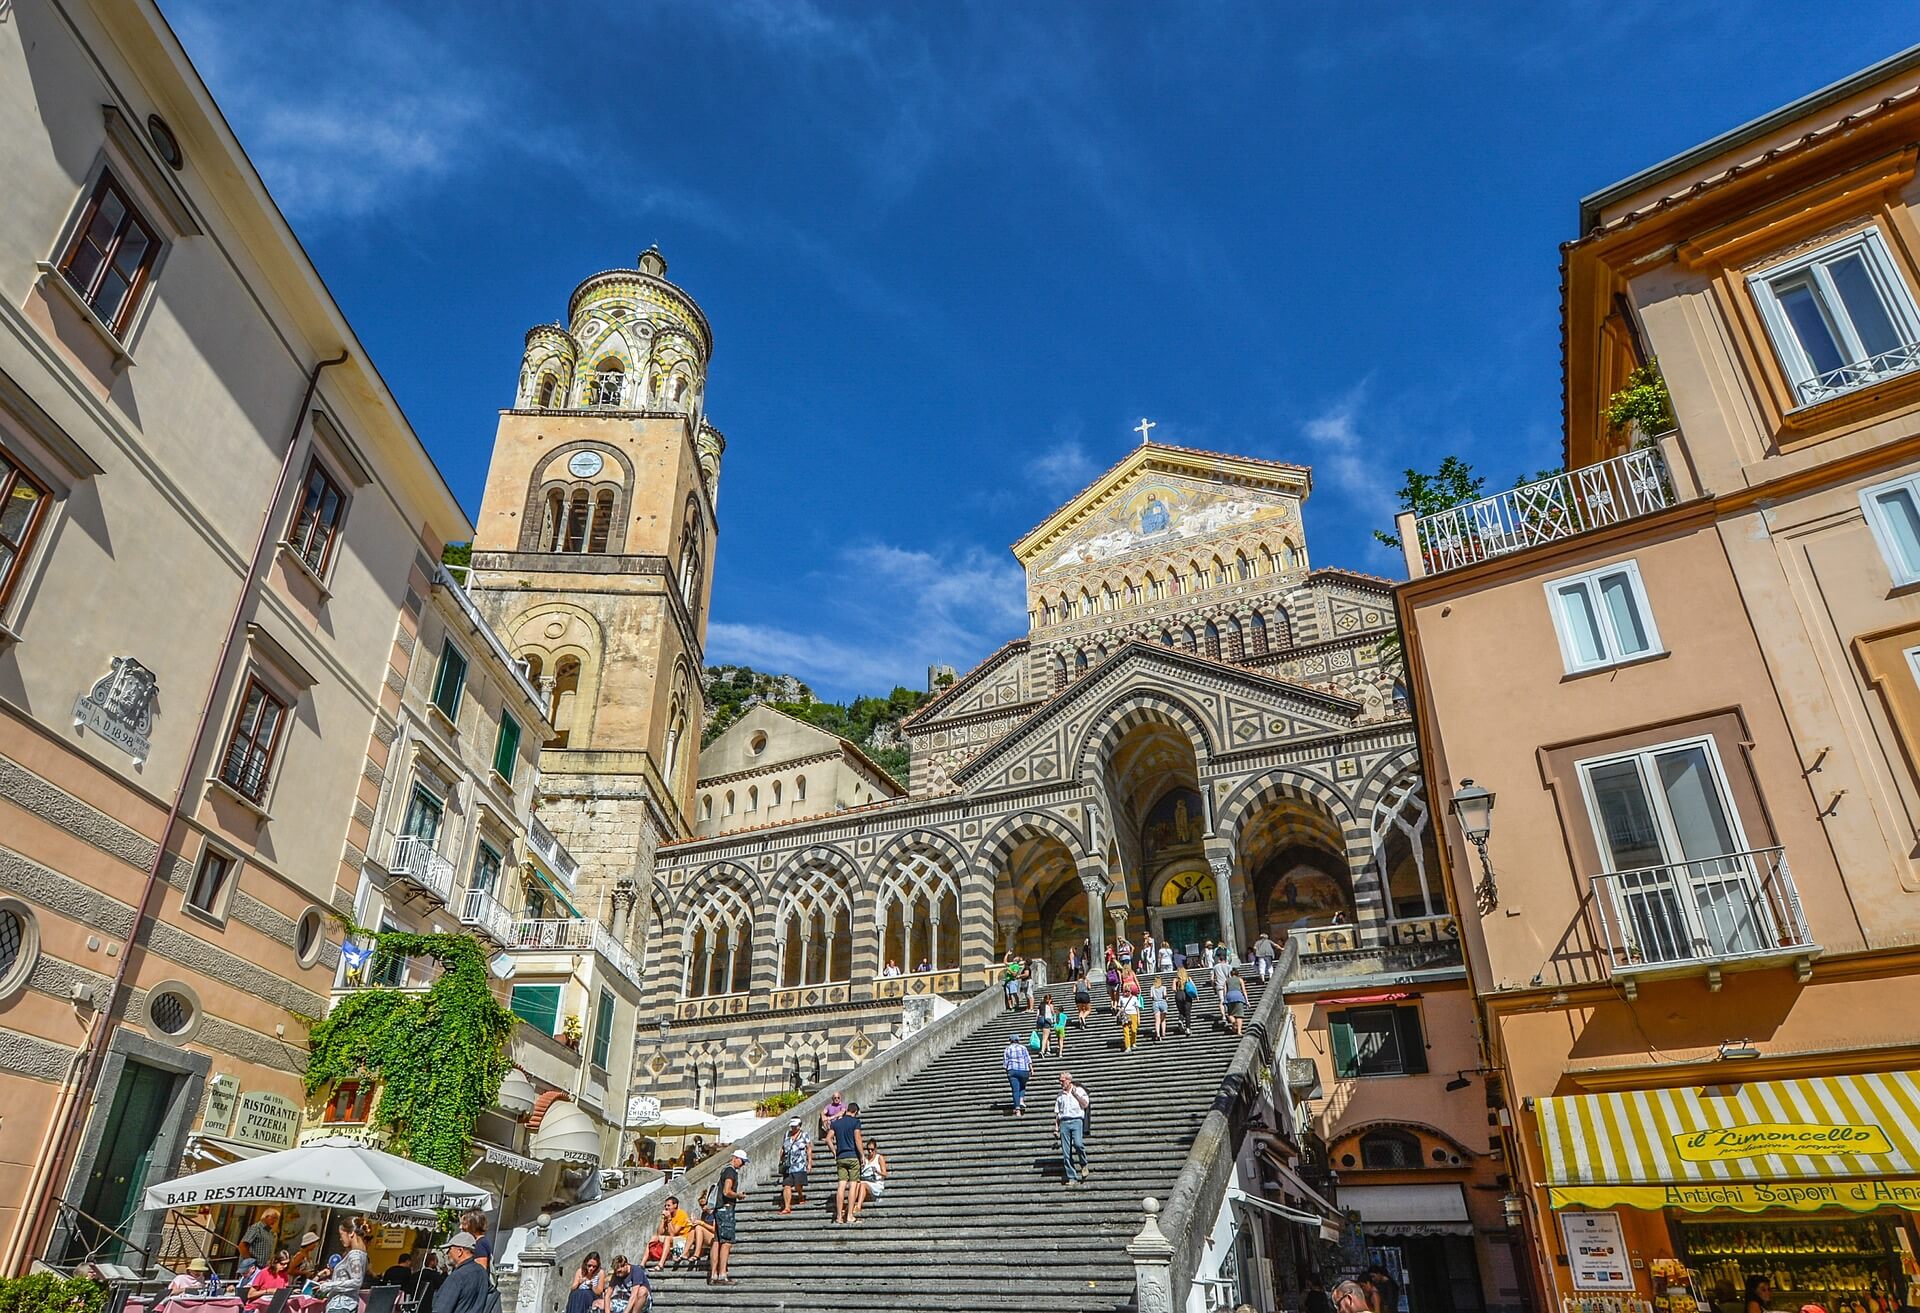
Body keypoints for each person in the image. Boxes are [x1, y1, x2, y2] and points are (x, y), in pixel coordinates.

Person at [708, 1147, 746, 1286]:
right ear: (735, 1158)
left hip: (719, 1209)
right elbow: (727, 1191)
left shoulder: (724, 1170)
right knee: (726, 1242)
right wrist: (738, 1195)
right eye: (742, 1162)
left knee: (717, 1241)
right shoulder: (731, 1171)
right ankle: (722, 1274)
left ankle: (713, 1274)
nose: (742, 1165)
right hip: (726, 1209)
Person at [315, 1219, 369, 1313]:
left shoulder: (354, 1255)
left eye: (341, 1235)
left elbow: (356, 1281)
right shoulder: (362, 1254)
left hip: (340, 1305)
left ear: (351, 1233)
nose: (340, 1239)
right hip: (348, 1304)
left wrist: (328, 1285)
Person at [435, 1233, 491, 1313]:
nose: (447, 1254)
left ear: (460, 1251)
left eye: (449, 1249)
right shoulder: (482, 1272)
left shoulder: (458, 1276)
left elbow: (442, 1309)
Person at [831, 1100, 866, 1223]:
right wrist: (862, 1155)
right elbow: (857, 1139)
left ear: (846, 1110)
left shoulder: (836, 1123)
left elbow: (828, 1139)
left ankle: (839, 1217)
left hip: (841, 1157)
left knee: (841, 1185)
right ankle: (850, 1215)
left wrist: (834, 1151)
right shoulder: (855, 1122)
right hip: (852, 1156)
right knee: (853, 1185)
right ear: (855, 1111)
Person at [1054, 1070, 1091, 1185]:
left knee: (1078, 1144)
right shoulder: (1060, 1095)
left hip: (1076, 1121)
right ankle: (1072, 1177)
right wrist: (1056, 1128)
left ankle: (1083, 1164)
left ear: (1069, 1081)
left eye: (1062, 1081)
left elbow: (1085, 1105)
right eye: (1060, 1081)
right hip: (1064, 1122)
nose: (1061, 1083)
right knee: (1066, 1152)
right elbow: (1057, 1113)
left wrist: (1076, 1094)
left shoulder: (1079, 1090)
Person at [779, 1116, 813, 1213]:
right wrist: (781, 1160)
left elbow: (809, 1149)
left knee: (798, 1185)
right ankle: (787, 1207)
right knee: (787, 1185)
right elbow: (783, 1148)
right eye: (792, 1126)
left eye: (795, 1126)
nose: (793, 1128)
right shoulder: (786, 1135)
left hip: (799, 1164)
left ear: (799, 1126)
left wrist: (809, 1163)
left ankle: (800, 1194)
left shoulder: (804, 1135)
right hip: (788, 1165)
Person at [851, 1138, 889, 1221]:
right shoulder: (865, 1159)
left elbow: (885, 1174)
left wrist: (877, 1172)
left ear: (875, 1149)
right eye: (868, 1149)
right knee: (858, 1184)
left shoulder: (879, 1158)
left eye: (872, 1149)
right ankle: (851, 1205)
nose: (870, 1152)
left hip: (876, 1183)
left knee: (863, 1184)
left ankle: (858, 1206)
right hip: (865, 1181)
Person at [1004, 1027, 1033, 1114]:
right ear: (1018, 1040)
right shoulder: (1023, 1047)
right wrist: (1031, 1068)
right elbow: (1028, 1058)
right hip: (1024, 1070)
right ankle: (1021, 1100)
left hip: (1012, 1070)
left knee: (1015, 1090)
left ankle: (1017, 1110)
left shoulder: (1007, 1049)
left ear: (1010, 1041)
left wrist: (1007, 1072)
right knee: (1022, 1086)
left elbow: (1005, 1063)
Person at [1225, 967, 1248, 1036]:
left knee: (1230, 1014)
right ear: (1238, 974)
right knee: (1239, 1015)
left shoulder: (1227, 980)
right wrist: (1247, 1000)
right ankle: (1239, 1031)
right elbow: (1244, 990)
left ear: (1230, 974)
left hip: (1229, 996)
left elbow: (1225, 991)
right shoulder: (1240, 979)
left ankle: (1233, 1022)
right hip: (1238, 996)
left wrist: (1224, 1000)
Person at [1176, 965, 1198, 1034]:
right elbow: (1193, 987)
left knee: (1181, 1011)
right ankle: (1188, 1028)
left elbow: (1174, 989)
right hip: (1187, 995)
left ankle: (1180, 1020)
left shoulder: (1177, 980)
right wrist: (1196, 995)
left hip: (1179, 995)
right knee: (1187, 1013)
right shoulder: (1188, 978)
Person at [1211, 949, 1231, 1022]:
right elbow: (1230, 976)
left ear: (1219, 959)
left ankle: (1223, 1016)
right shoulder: (1229, 966)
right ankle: (1229, 1014)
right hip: (1228, 985)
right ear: (1225, 959)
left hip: (1219, 985)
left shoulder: (1215, 967)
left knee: (1221, 1000)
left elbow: (1212, 978)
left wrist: (1213, 986)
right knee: (1228, 1000)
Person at [1119, 985, 1141, 1051]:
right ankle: (1127, 1046)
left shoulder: (1134, 998)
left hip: (1133, 1014)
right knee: (1126, 1031)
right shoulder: (1121, 998)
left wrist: (1138, 1017)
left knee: (1134, 1030)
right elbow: (1119, 1007)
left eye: (1128, 991)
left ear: (1130, 991)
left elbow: (1137, 1008)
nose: (1126, 993)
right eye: (1125, 991)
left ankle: (1133, 1042)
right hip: (1125, 1015)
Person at [1149, 974, 1169, 1041]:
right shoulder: (1164, 987)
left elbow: (1151, 997)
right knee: (1163, 1020)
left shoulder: (1152, 988)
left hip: (1155, 1003)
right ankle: (1163, 1032)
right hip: (1163, 1002)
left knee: (1157, 1020)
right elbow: (1165, 995)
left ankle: (1158, 1034)